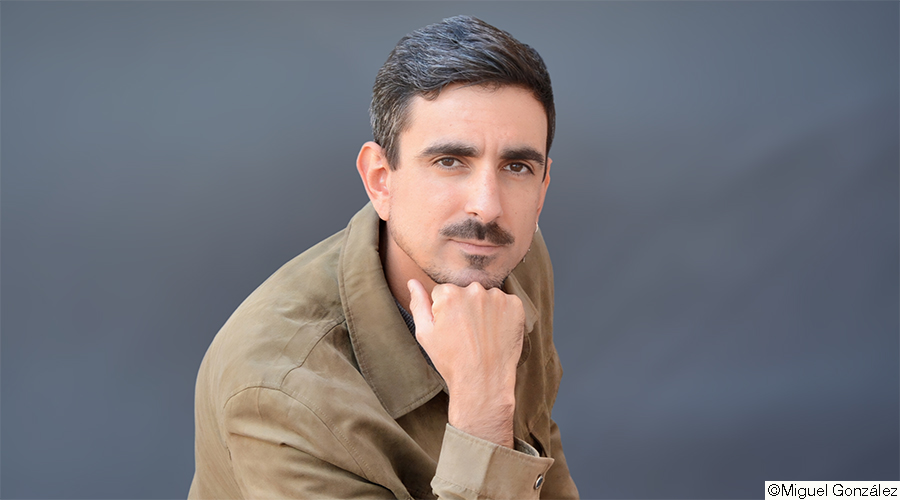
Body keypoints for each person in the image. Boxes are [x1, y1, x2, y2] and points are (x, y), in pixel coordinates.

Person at [188, 15, 579, 500]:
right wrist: (483, 410)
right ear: (380, 180)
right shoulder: (280, 389)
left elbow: (541, 452)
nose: (488, 207)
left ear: (542, 189)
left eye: (516, 167)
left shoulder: (512, 255)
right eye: (450, 161)